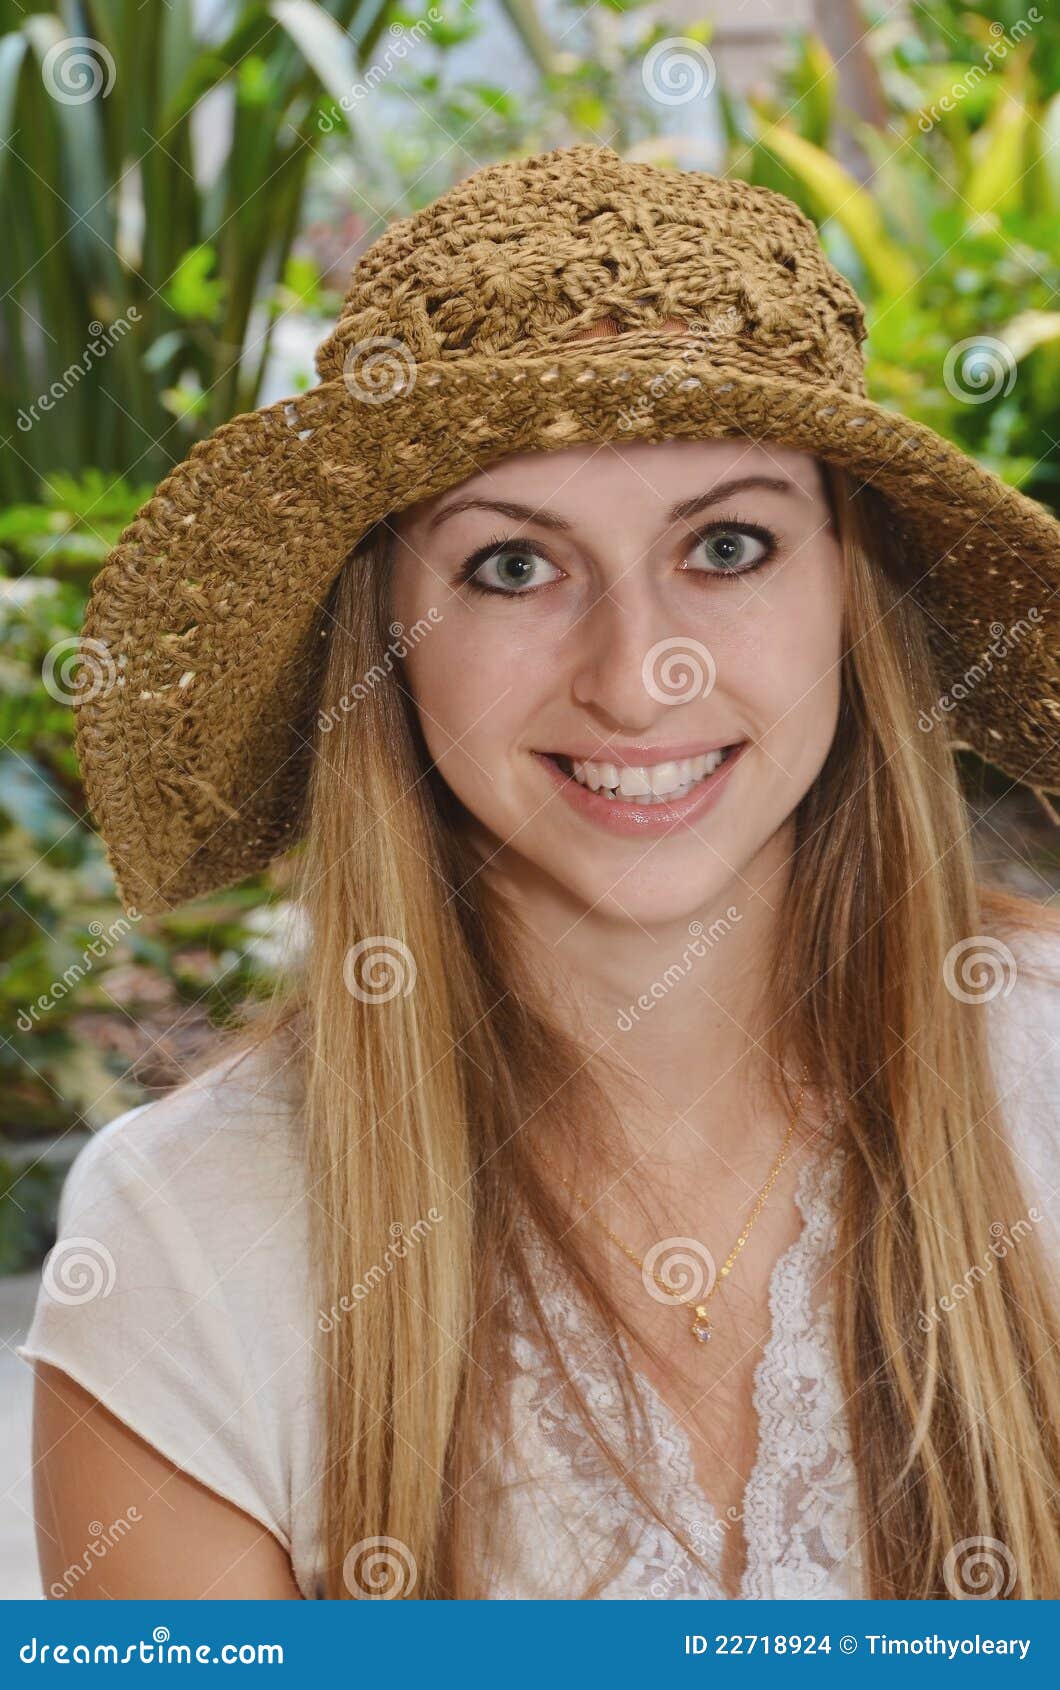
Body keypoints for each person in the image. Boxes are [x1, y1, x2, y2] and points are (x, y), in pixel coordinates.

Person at [18, 142, 1060, 1601]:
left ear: (850, 586)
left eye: (730, 543)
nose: (640, 675)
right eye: (514, 565)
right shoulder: (188, 1242)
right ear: (381, 627)